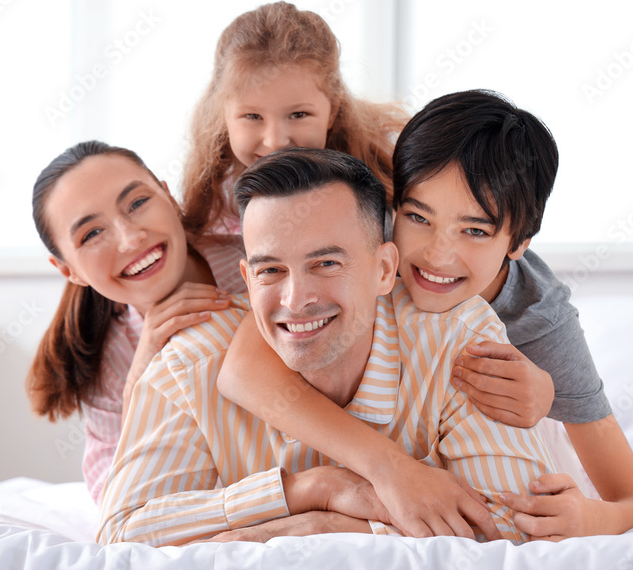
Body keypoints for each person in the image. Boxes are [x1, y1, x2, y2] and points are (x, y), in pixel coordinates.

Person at [218, 90, 633, 540]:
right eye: (418, 217)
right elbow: (241, 371)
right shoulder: (367, 248)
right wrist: (390, 468)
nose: (436, 255)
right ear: (395, 207)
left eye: (474, 230)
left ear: (518, 242)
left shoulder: (539, 319)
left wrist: (592, 515)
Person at [97, 148, 556, 546]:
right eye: (270, 271)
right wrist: (309, 492)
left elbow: (514, 530)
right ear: (246, 278)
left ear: (383, 269)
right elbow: (122, 536)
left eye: (326, 263)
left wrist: (322, 529)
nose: (296, 301)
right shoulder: (187, 368)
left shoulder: (457, 340)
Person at [25, 141, 247, 504]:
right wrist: (139, 386)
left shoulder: (257, 255)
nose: (131, 239)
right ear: (69, 271)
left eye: (138, 203)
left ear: (169, 197)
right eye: (92, 234)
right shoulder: (113, 358)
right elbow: (119, 502)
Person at [180, 0, 407, 236]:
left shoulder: (384, 172)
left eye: (299, 114)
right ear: (223, 116)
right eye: (252, 116)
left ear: (333, 110)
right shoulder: (218, 206)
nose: (275, 141)